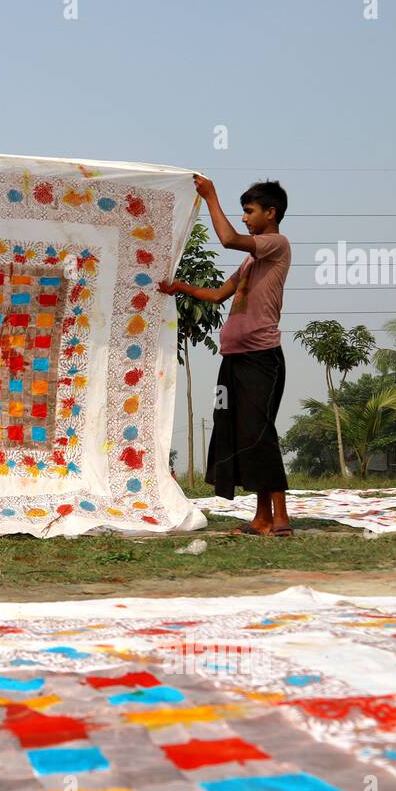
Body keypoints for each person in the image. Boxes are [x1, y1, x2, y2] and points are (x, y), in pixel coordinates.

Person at [159, 176, 293, 536]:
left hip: (262, 359)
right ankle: (262, 517)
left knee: (259, 431)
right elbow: (219, 294)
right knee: (235, 431)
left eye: (249, 212)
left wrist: (210, 195)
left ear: (271, 212)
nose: (246, 218)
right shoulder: (252, 263)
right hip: (233, 359)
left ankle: (280, 518)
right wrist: (179, 288)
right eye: (243, 212)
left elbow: (228, 239)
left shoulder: (277, 244)